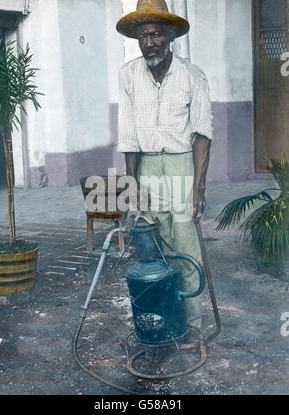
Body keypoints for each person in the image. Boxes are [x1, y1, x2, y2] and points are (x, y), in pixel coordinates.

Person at [116, 0, 213, 336]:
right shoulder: (128, 74)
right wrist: (132, 186)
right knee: (151, 250)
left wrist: (198, 189)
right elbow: (128, 137)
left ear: (170, 35)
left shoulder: (192, 76)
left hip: (181, 166)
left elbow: (202, 135)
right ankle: (162, 321)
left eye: (155, 35)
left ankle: (194, 326)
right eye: (142, 37)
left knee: (185, 247)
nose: (148, 43)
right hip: (144, 168)